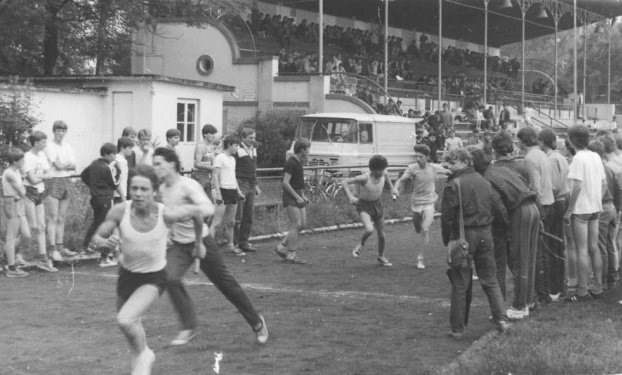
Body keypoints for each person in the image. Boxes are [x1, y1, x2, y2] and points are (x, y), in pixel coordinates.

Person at [152, 147, 268, 347]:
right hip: (180, 244)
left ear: (171, 164)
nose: (155, 169)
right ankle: (189, 327)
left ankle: (257, 322)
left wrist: (183, 212)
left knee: (226, 285)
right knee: (170, 278)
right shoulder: (163, 190)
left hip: (203, 242)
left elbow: (207, 208)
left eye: (158, 164)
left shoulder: (188, 185)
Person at [90, 165, 169, 375]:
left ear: (155, 191)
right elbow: (95, 240)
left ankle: (147, 355)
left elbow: (196, 219)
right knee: (133, 334)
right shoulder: (119, 210)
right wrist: (104, 243)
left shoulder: (165, 213)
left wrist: (198, 244)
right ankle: (142, 362)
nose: (138, 193)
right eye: (134, 188)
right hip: (126, 277)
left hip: (154, 278)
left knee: (125, 320)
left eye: (144, 189)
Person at [441, 148, 510, 338]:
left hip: (463, 237)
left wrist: (448, 240)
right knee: (490, 280)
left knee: (460, 283)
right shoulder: (484, 181)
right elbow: (499, 208)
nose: (449, 166)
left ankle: (457, 329)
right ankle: (502, 320)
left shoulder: (453, 184)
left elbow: (447, 218)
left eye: (452, 162)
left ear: (465, 162)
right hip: (486, 234)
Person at [476, 134, 540, 320]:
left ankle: (519, 306)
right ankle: (527, 301)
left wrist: (507, 224)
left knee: (519, 259)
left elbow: (499, 206)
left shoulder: (489, 174)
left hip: (519, 211)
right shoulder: (511, 167)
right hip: (532, 208)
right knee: (527, 258)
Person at [564, 124, 606, 301]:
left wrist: (570, 209)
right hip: (595, 207)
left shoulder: (578, 159)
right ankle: (597, 286)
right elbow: (603, 184)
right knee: (593, 248)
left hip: (581, 209)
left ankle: (582, 290)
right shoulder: (595, 156)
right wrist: (597, 198)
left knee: (582, 249)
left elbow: (577, 185)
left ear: (572, 140)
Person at [517, 126, 554, 305]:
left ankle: (541, 292)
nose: (517, 143)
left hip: (540, 204)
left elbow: (536, 187)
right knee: (543, 252)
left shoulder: (530, 158)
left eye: (519, 140)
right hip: (549, 202)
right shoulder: (542, 154)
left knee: (536, 252)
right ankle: (545, 289)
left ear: (524, 140)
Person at [396, 144, 450, 269]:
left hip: (429, 203)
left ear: (427, 157)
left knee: (425, 229)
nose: (418, 159)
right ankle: (424, 225)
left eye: (420, 157)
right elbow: (401, 180)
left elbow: (448, 171)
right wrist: (395, 189)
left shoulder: (434, 168)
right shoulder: (412, 168)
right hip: (416, 203)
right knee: (418, 229)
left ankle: (420, 258)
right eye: (417, 156)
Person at [342, 155, 399, 267]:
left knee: (382, 235)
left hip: (377, 205)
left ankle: (381, 256)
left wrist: (392, 188)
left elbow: (387, 177)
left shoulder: (384, 173)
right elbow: (344, 182)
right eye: (380, 170)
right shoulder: (364, 178)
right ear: (373, 169)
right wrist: (350, 197)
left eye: (383, 169)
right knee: (369, 229)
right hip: (364, 206)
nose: (383, 172)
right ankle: (361, 244)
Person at [537, 129, 569, 301]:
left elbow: (555, 186)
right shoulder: (559, 157)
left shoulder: (551, 159)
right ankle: (559, 285)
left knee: (551, 245)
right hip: (561, 201)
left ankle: (554, 287)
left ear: (543, 142)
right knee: (557, 244)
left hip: (555, 202)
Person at [587, 140, 621, 292]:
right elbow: (619, 189)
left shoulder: (598, 168)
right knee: (610, 244)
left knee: (601, 246)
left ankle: (603, 279)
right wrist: (618, 209)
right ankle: (612, 278)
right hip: (613, 207)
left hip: (603, 207)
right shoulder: (609, 168)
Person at [22, 131, 57, 272]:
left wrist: (40, 176)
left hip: (39, 193)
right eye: (43, 142)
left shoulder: (42, 155)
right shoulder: (28, 157)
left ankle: (43, 259)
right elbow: (33, 180)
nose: (45, 144)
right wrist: (43, 176)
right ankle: (12, 253)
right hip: (29, 192)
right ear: (36, 143)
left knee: (41, 226)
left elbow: (50, 174)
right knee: (31, 228)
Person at [81, 143, 120, 267]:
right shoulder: (106, 167)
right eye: (113, 154)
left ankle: (86, 247)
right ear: (107, 154)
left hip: (96, 198)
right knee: (107, 226)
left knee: (96, 223)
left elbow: (83, 175)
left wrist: (93, 186)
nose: (115, 156)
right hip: (106, 199)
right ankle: (104, 258)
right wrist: (119, 171)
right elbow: (115, 184)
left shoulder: (94, 163)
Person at [44, 120, 78, 261]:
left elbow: (73, 166)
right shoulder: (49, 146)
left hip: (66, 181)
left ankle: (60, 246)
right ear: (54, 131)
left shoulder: (67, 146)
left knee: (62, 217)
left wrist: (63, 165)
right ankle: (52, 250)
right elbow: (57, 166)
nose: (61, 133)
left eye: (63, 131)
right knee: (53, 217)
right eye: (58, 130)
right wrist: (64, 165)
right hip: (53, 182)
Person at [274, 139, 310, 264]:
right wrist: (297, 197)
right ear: (302, 150)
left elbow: (298, 182)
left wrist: (303, 195)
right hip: (291, 196)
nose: (308, 152)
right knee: (296, 224)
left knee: (303, 225)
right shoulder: (291, 162)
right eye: (307, 149)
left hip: (298, 194)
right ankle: (291, 253)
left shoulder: (299, 162)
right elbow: (285, 183)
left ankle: (281, 246)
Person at [211, 136, 246, 256]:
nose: (238, 148)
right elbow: (215, 175)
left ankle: (230, 246)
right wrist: (218, 193)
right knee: (216, 223)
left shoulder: (232, 159)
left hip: (232, 192)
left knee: (231, 222)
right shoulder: (219, 157)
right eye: (236, 145)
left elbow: (232, 176)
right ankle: (208, 249)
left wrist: (239, 191)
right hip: (223, 191)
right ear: (229, 145)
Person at [3, 149, 32, 277]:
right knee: (11, 237)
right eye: (21, 159)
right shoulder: (9, 173)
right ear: (15, 161)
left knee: (26, 234)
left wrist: (22, 191)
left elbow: (22, 191)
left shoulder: (16, 171)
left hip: (18, 203)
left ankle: (7, 254)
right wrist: (22, 191)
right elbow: (22, 192)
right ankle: (11, 268)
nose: (24, 161)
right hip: (11, 203)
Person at [234, 128, 261, 253]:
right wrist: (237, 187)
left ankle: (244, 242)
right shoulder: (237, 149)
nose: (253, 140)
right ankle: (234, 243)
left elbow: (254, 168)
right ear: (243, 138)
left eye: (254, 138)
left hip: (251, 184)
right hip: (241, 183)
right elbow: (233, 169)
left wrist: (255, 185)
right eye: (250, 138)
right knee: (237, 215)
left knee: (248, 215)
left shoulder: (254, 149)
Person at [192, 124, 218, 199]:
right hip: (198, 175)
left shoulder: (212, 147)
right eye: (211, 134)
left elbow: (212, 164)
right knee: (199, 201)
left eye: (214, 134)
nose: (213, 136)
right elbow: (198, 164)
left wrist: (213, 178)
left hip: (207, 176)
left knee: (209, 202)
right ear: (205, 134)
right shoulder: (200, 146)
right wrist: (212, 168)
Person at [114, 137, 134, 202]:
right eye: (129, 148)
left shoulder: (118, 158)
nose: (131, 150)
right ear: (122, 148)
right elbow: (118, 180)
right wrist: (123, 196)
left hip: (118, 194)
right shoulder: (121, 161)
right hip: (119, 195)